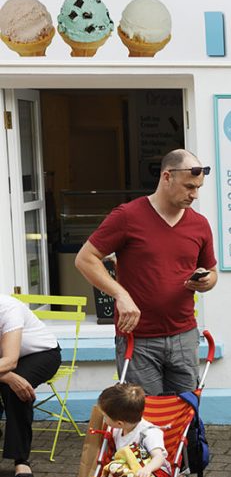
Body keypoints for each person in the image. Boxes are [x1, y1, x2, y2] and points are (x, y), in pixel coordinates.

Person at [75, 149, 217, 396]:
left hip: (184, 335)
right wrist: (121, 295)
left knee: (184, 414)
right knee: (144, 417)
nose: (194, 194)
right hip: (139, 339)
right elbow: (85, 259)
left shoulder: (200, 224)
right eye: (189, 187)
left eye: (198, 188)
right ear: (166, 177)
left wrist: (207, 281)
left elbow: (212, 271)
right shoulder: (128, 216)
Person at [0, 295, 61, 477]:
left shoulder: (8, 309)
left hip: (40, 354)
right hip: (5, 365)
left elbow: (10, 361)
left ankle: (21, 460)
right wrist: (7, 376)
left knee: (16, 391)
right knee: (9, 382)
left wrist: (8, 375)